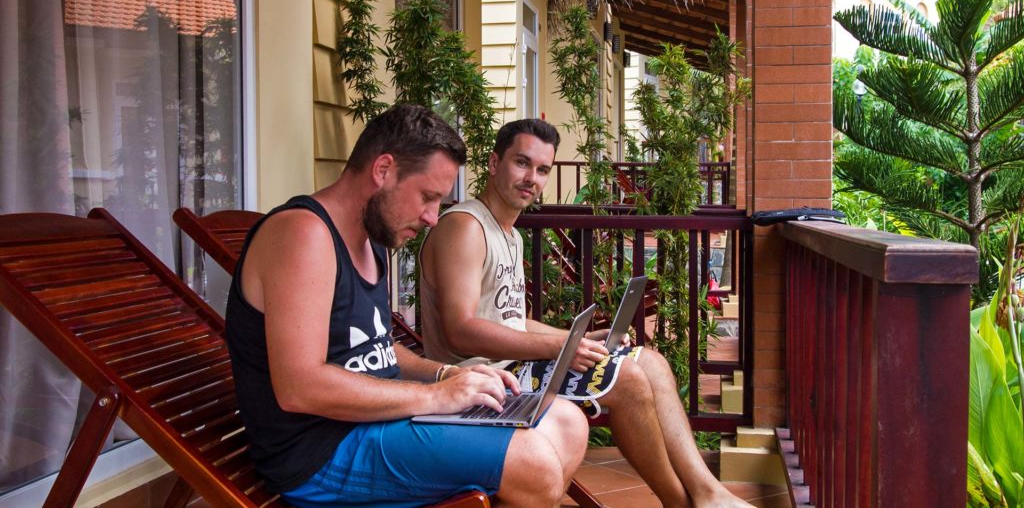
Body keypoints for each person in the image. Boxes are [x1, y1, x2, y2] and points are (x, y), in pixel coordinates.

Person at [225, 105, 588, 508]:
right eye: (428, 197)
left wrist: (447, 375)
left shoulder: (370, 240)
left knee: (567, 422)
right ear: (383, 170)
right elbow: (299, 388)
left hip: (379, 419)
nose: (433, 218)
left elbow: (378, 346)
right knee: (532, 463)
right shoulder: (303, 234)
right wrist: (437, 397)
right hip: (323, 451)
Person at [420, 118, 754, 508]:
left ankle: (707, 492)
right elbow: (461, 331)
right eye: (521, 163)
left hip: (513, 368)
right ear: (494, 163)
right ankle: (680, 503)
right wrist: (557, 348)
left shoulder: (508, 234)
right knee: (627, 379)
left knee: (651, 362)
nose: (532, 178)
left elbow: (511, 320)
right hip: (483, 380)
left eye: (542, 169)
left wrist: (572, 340)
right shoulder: (465, 226)